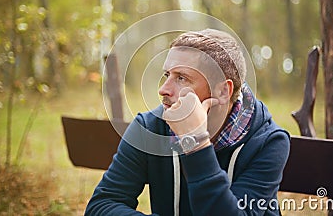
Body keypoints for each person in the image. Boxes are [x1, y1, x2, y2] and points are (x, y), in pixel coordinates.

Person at [85, 29, 290, 215]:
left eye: (181, 78)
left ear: (222, 91)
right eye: (167, 74)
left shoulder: (268, 142)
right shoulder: (149, 128)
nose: (163, 89)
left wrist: (196, 143)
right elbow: (102, 205)